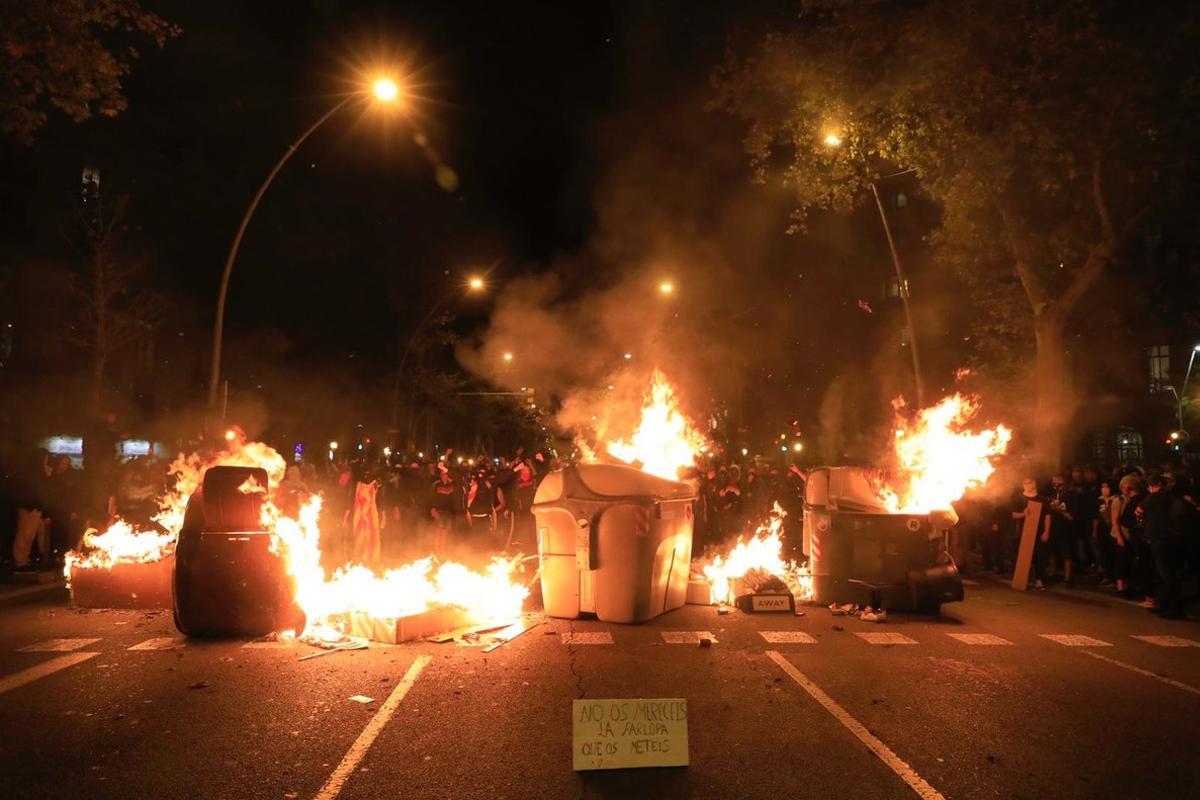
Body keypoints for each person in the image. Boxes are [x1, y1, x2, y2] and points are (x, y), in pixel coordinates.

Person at [1142, 475, 1186, 618]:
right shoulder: (1174, 498)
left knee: (1166, 575)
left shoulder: (1152, 499)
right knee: (1170, 573)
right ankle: (1165, 604)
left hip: (1159, 539)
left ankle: (1174, 607)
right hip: (1174, 539)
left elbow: (1139, 511)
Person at [1013, 478, 1053, 590]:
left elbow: (1047, 516)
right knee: (1022, 556)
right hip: (1023, 532)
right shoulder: (1018, 499)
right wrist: (1023, 514)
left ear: (1034, 483)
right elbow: (1013, 515)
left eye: (1029, 482)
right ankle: (1021, 580)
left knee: (1039, 557)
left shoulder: (1042, 499)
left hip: (1038, 532)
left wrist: (1046, 531)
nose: (1027, 485)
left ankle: (1039, 580)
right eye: (1025, 482)